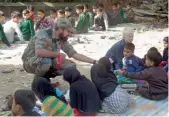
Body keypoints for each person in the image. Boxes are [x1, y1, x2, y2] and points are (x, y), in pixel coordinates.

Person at [22, 20, 97, 78]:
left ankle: (45, 79)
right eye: (68, 31)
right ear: (61, 29)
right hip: (30, 61)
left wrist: (94, 62)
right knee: (46, 61)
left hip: (46, 61)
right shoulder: (43, 33)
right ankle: (38, 82)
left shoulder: (61, 38)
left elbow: (74, 54)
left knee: (71, 66)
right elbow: (39, 52)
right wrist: (58, 55)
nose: (70, 34)